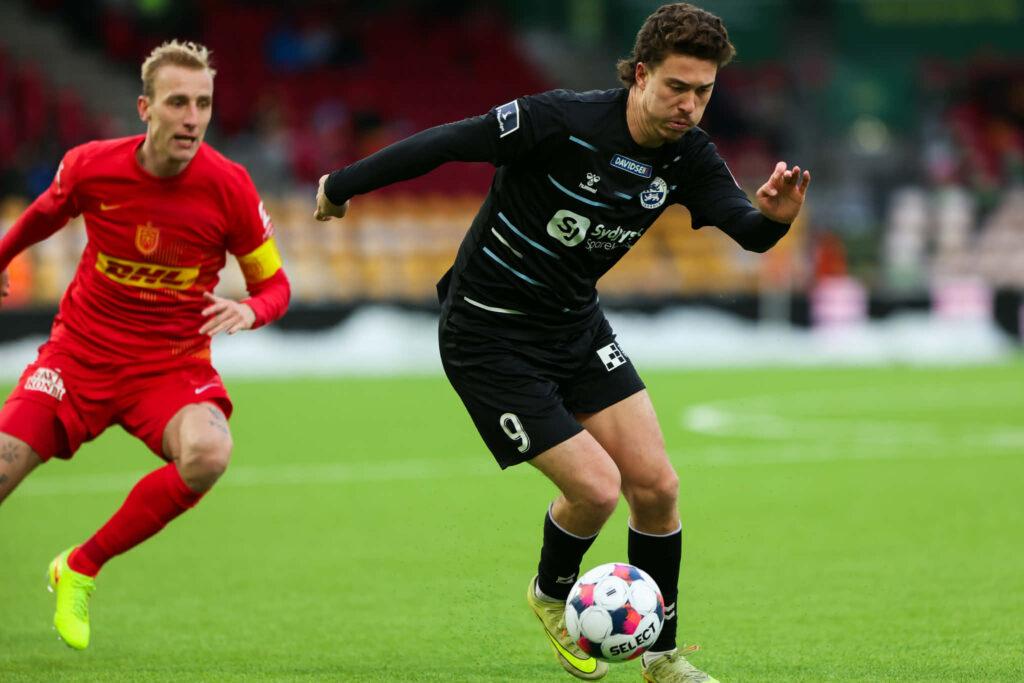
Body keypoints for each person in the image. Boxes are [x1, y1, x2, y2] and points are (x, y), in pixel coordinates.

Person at [314, 4, 809, 681]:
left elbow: (746, 230)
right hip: (488, 333)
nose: (690, 106)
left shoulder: (688, 155)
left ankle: (661, 658)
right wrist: (342, 185)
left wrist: (774, 220)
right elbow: (449, 142)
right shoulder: (561, 120)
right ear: (641, 75)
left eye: (703, 92)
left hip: (575, 328)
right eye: (677, 87)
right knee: (599, 489)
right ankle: (552, 594)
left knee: (657, 487)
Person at [0, 40, 290, 650]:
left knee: (209, 452)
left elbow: (276, 285)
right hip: (78, 356)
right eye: (177, 102)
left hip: (169, 368)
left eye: (203, 104)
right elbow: (46, 214)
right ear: (144, 108)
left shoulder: (230, 186)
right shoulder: (91, 166)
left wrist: (251, 309)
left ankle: (80, 567)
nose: (192, 118)